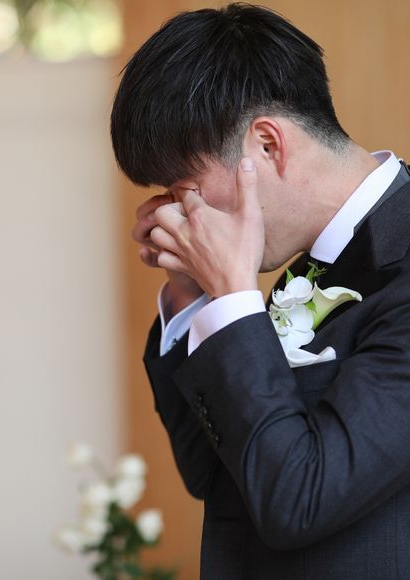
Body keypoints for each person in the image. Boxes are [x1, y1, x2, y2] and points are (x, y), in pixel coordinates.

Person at [110, 4, 410, 579]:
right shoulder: (307, 267)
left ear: (268, 146)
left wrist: (231, 299)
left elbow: (299, 499)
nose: (179, 214)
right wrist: (192, 295)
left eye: (187, 189)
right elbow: (214, 476)